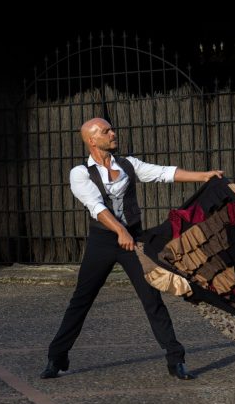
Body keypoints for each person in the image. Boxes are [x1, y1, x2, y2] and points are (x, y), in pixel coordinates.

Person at [40, 117, 223, 381]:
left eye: (112, 129)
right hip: (102, 242)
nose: (113, 133)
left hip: (133, 242)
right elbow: (96, 207)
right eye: (106, 131)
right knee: (81, 300)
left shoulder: (127, 164)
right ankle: (56, 357)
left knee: (152, 299)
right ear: (92, 140)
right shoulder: (80, 173)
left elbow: (163, 173)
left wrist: (203, 176)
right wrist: (120, 231)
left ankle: (175, 359)